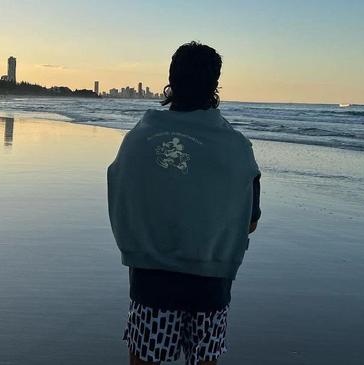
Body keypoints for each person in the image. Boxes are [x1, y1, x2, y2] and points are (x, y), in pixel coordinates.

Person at [107, 41, 261, 365]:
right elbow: (250, 220)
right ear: (215, 86)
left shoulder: (138, 138)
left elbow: (120, 193)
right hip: (210, 284)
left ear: (170, 82)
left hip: (152, 281)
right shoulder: (236, 148)